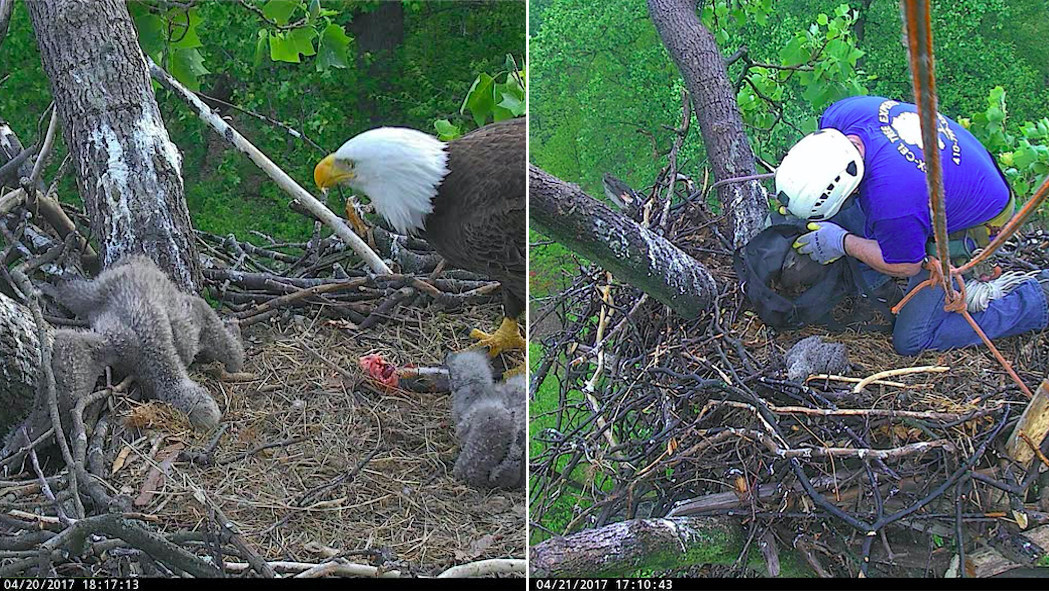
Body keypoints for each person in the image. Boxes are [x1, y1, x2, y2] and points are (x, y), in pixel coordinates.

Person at [775, 95, 1047, 355]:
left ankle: (1037, 301)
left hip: (980, 219)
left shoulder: (892, 198)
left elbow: (907, 265)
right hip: (969, 172)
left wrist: (842, 242)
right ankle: (880, 286)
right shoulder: (841, 116)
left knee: (912, 339)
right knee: (862, 219)